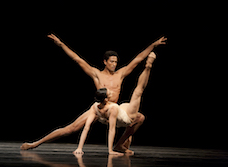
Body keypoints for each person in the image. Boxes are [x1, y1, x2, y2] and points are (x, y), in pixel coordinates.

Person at [20, 34, 166, 150]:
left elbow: (138, 58)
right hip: (100, 108)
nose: (114, 65)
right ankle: (35, 143)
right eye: (111, 62)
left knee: (139, 118)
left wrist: (153, 45)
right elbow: (77, 59)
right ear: (105, 61)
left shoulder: (120, 74)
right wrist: (61, 44)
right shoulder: (97, 74)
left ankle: (120, 144)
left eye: (116, 62)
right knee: (71, 128)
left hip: (114, 108)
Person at [73, 53, 156, 155]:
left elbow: (88, 128)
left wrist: (80, 148)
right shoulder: (102, 108)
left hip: (121, 109)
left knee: (137, 103)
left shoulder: (101, 106)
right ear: (106, 98)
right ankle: (148, 67)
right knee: (138, 91)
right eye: (110, 93)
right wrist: (109, 151)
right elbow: (109, 129)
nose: (112, 92)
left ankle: (120, 145)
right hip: (127, 117)